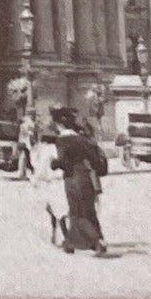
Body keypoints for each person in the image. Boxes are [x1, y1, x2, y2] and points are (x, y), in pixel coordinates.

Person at [50, 106, 108, 255]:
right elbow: (95, 159)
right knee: (88, 211)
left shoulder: (62, 140)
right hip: (86, 177)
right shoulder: (82, 139)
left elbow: (63, 162)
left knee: (77, 212)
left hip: (73, 178)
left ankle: (96, 241)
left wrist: (54, 163)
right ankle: (72, 242)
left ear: (60, 125)